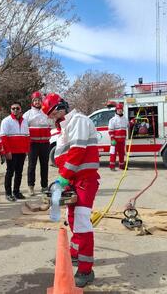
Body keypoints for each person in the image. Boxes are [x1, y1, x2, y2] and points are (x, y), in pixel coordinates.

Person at [42, 93, 100, 288]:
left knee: (82, 223)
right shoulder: (63, 128)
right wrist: (63, 180)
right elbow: (62, 157)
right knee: (73, 219)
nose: (53, 117)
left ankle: (86, 269)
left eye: (54, 113)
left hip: (85, 180)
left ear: (61, 107)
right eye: (51, 115)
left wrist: (63, 178)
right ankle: (74, 254)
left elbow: (77, 152)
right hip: (73, 180)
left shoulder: (79, 121)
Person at [23, 91, 52, 196]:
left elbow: (51, 126)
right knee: (32, 166)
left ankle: (44, 186)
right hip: (33, 144)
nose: (37, 102)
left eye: (39, 100)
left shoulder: (46, 113)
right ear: (32, 102)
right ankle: (31, 187)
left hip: (45, 143)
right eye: (35, 100)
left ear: (41, 101)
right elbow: (24, 129)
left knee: (45, 165)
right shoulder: (27, 114)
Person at [0, 102, 30, 201]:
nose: (15, 110)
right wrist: (7, 152)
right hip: (12, 152)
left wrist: (27, 150)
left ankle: (16, 192)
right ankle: (8, 193)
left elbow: (27, 136)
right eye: (13, 108)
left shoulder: (25, 121)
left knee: (19, 173)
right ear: (10, 110)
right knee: (10, 172)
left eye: (17, 108)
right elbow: (3, 138)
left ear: (21, 110)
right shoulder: (6, 121)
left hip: (21, 152)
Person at [108, 103, 128, 170]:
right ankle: (112, 167)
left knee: (122, 154)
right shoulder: (112, 120)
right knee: (113, 154)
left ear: (122, 110)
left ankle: (121, 166)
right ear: (116, 110)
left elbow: (128, 125)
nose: (120, 111)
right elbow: (110, 131)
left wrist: (133, 121)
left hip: (122, 141)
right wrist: (112, 139)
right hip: (115, 141)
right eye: (118, 110)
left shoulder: (125, 119)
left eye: (121, 110)